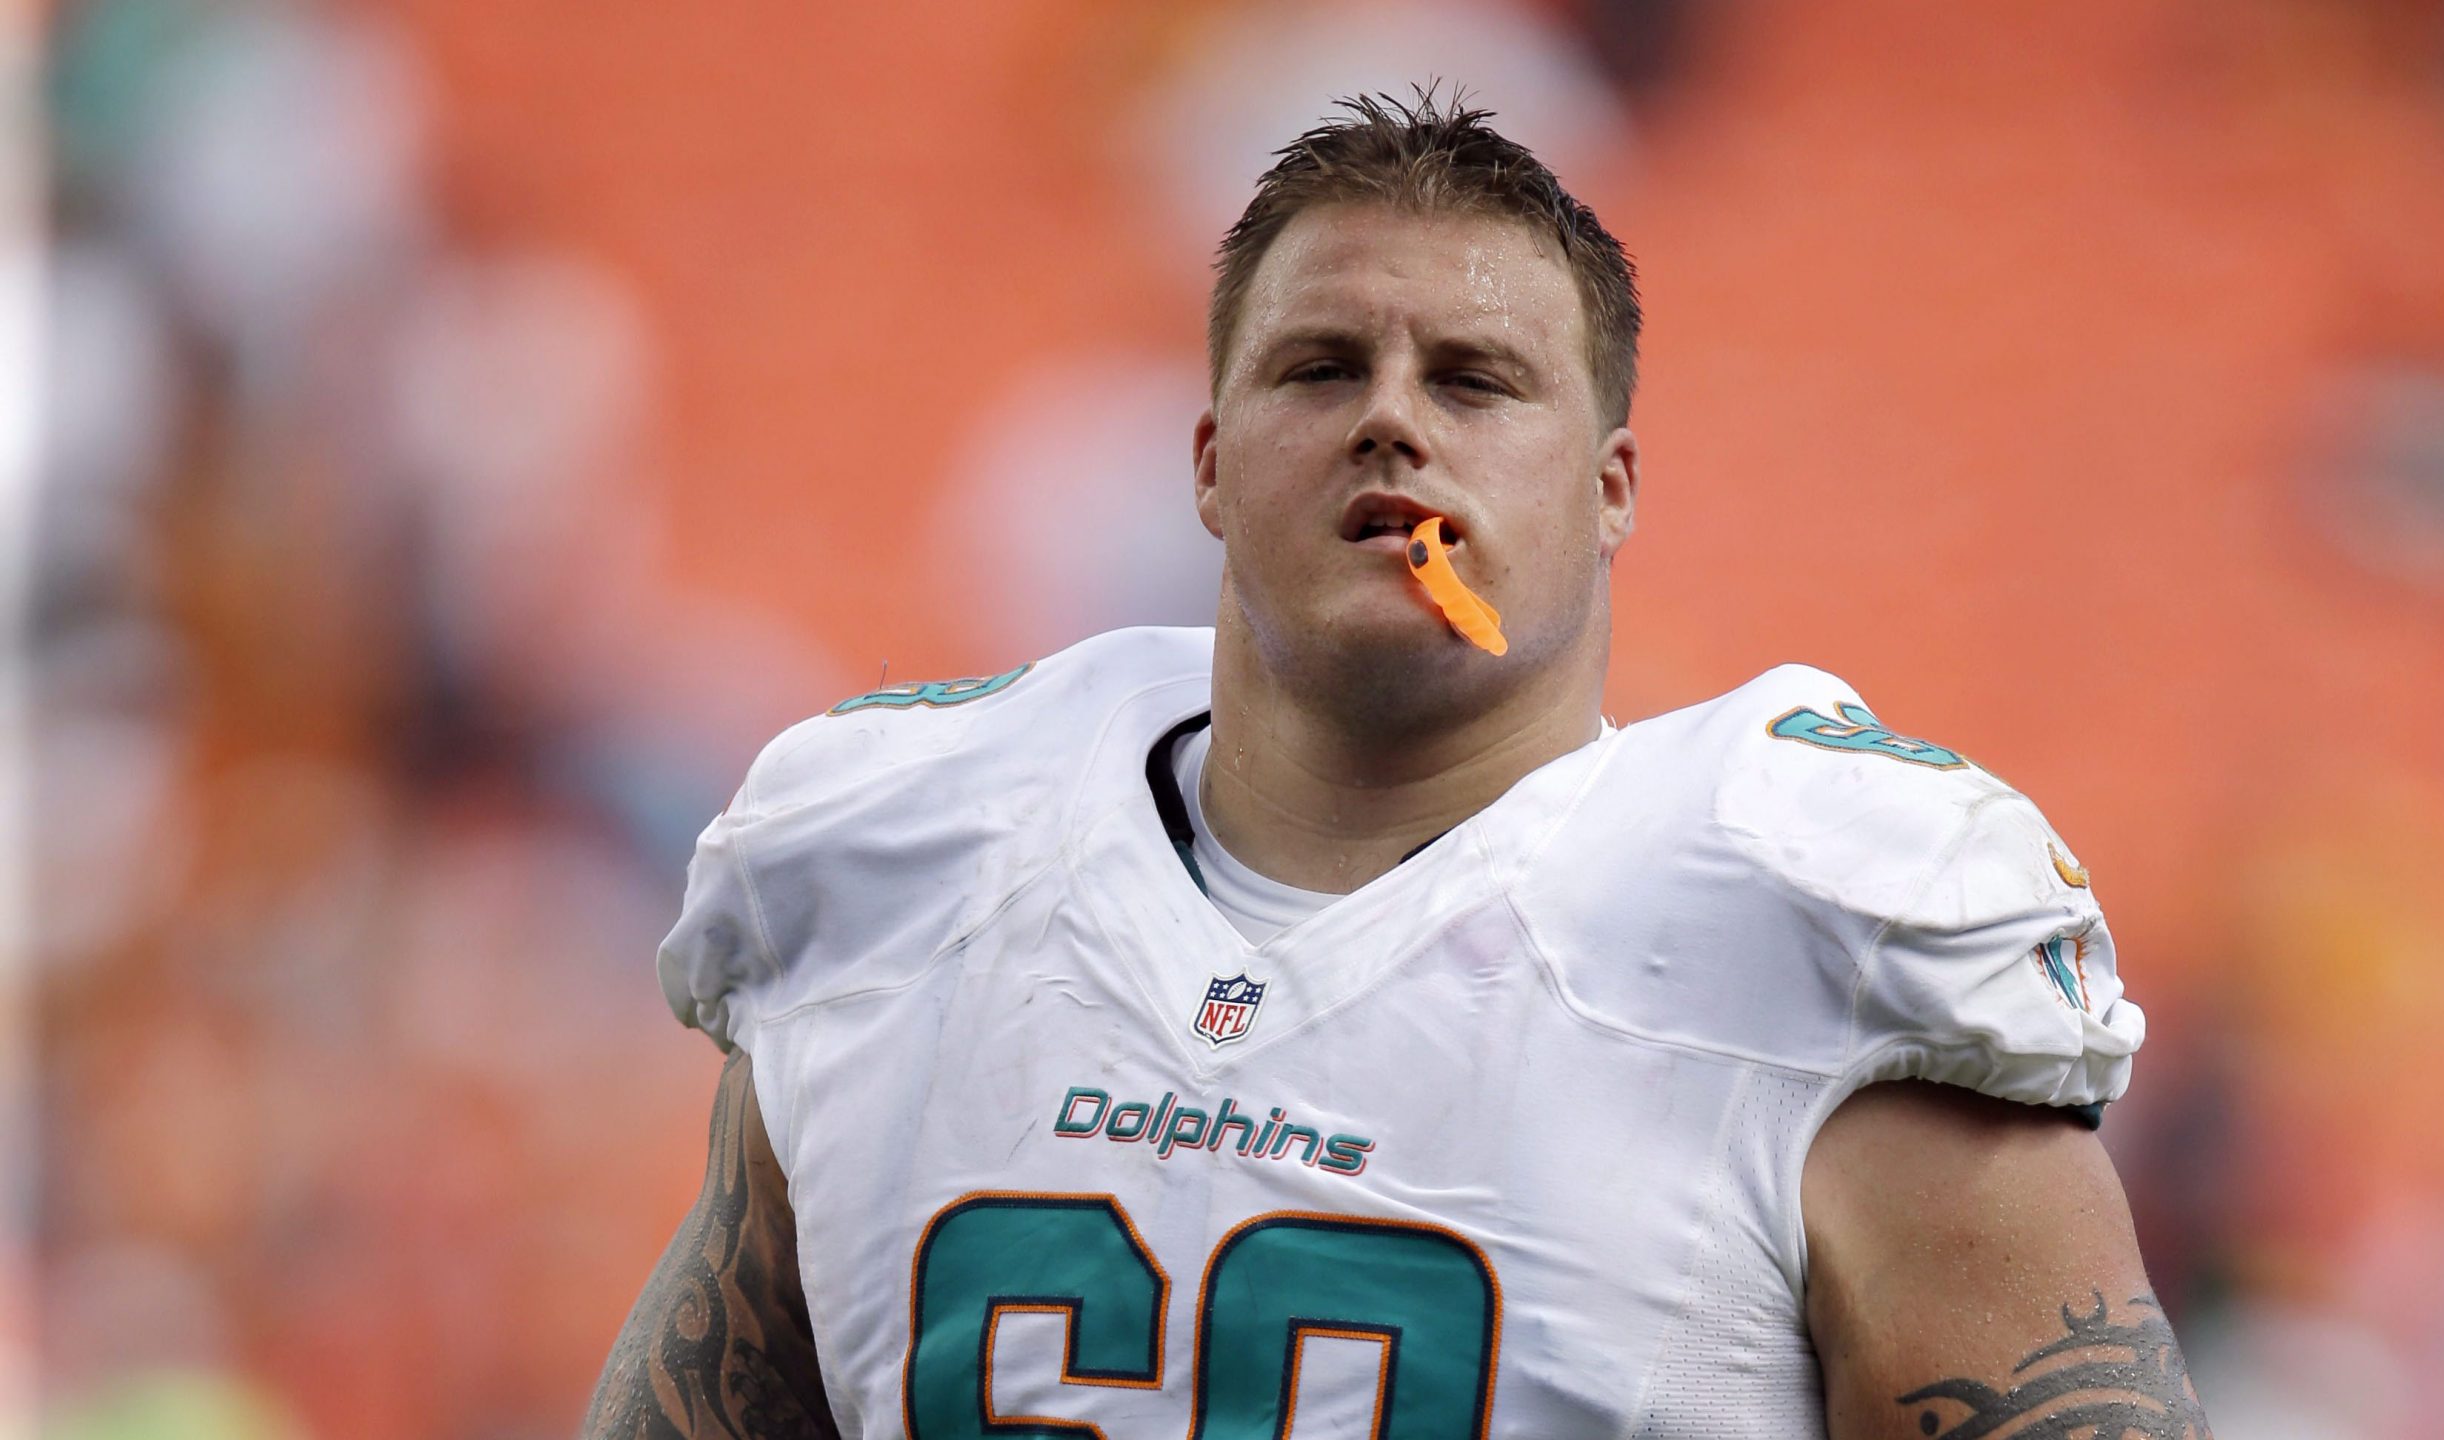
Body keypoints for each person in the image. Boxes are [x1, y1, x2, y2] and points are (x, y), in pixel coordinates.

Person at [583, 91, 2207, 1440]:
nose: (1391, 423)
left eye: (1475, 379)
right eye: (1320, 368)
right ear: (1208, 463)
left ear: (1612, 488)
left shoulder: (1811, 946)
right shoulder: (912, 876)